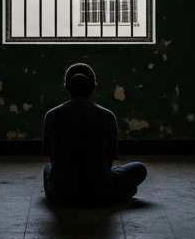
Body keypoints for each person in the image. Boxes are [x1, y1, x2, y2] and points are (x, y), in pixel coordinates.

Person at [41, 62, 147, 208]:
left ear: (67, 87)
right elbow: (108, 161)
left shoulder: (51, 115)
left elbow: (53, 159)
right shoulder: (107, 116)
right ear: (93, 87)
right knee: (138, 169)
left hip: (61, 196)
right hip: (99, 194)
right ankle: (118, 193)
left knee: (48, 168)